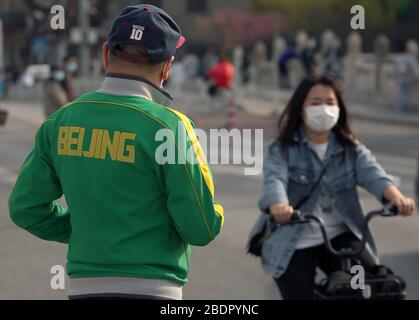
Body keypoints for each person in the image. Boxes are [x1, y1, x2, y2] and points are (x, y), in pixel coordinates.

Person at [8, 4, 224, 300]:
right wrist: (217, 213)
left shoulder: (60, 121)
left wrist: (84, 229)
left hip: (84, 287)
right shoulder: (171, 127)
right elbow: (201, 228)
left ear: (107, 54)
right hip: (154, 288)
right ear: (167, 66)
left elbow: (25, 208)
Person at [258, 75, 415, 300]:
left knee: (368, 285)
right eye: (315, 103)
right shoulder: (282, 149)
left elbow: (374, 175)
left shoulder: (350, 148)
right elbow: (274, 180)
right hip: (293, 240)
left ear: (339, 108)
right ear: (301, 109)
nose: (324, 108)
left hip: (341, 237)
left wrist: (397, 199)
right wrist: (279, 206)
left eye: (330, 102)